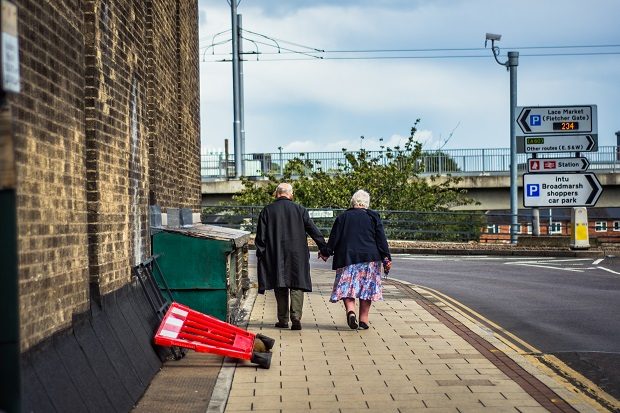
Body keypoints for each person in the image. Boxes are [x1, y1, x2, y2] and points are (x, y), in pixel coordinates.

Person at [255, 182, 327, 330]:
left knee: (280, 284)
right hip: (297, 254)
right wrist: (324, 248)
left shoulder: (267, 211)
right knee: (296, 284)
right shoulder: (300, 209)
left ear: (277, 193)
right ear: (291, 194)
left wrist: (261, 254)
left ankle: (282, 320)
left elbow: (260, 238)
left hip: (276, 253)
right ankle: (296, 317)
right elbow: (313, 230)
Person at [319, 190, 391, 330]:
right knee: (366, 289)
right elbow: (381, 240)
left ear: (352, 203)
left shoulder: (343, 217)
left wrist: (326, 252)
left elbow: (334, 238)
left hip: (347, 258)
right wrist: (386, 258)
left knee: (347, 288)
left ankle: (351, 311)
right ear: (366, 204)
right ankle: (364, 320)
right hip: (370, 259)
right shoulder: (373, 216)